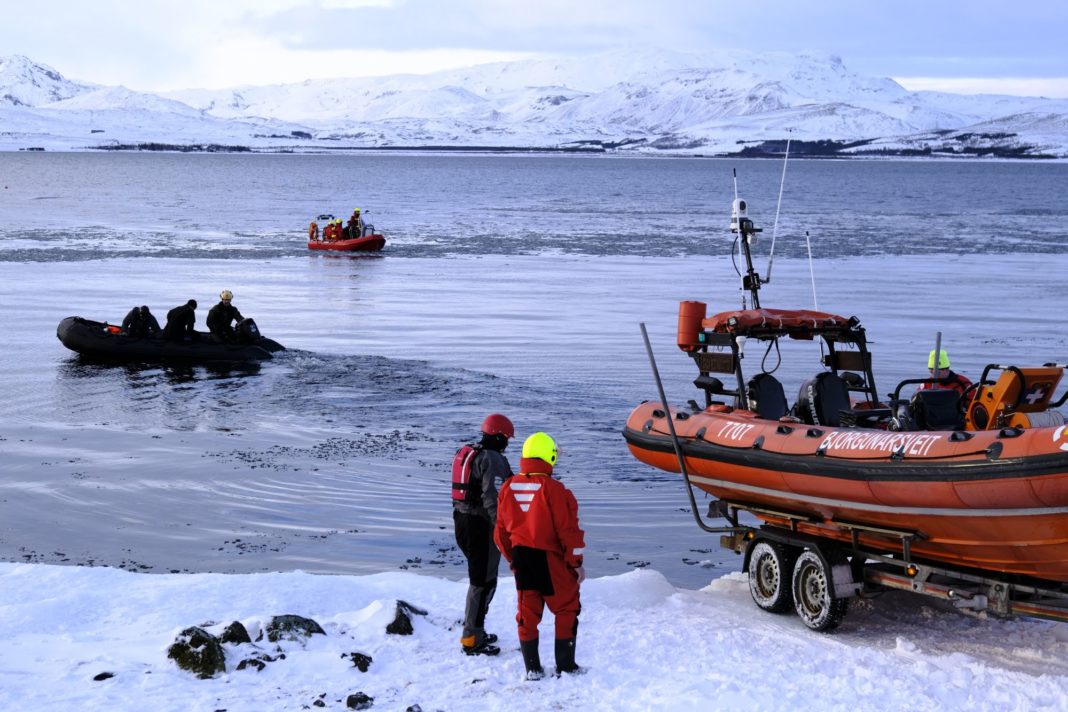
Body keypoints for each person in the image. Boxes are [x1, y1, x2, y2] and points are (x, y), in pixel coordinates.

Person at [495, 432, 585, 680]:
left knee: (527, 615)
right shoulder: (556, 490)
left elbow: (500, 533)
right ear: (550, 456)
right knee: (566, 608)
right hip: (551, 560)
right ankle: (566, 667)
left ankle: (532, 669)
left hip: (523, 559)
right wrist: (576, 564)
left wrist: (514, 559)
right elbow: (569, 532)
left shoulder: (507, 486)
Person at [452, 413, 515, 657]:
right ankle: (471, 639)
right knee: (483, 582)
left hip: (461, 521)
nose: (507, 444)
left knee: (480, 579)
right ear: (499, 437)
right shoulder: (492, 459)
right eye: (507, 439)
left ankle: (476, 630)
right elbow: (493, 498)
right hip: (481, 525)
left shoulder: (468, 451)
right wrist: (504, 529)